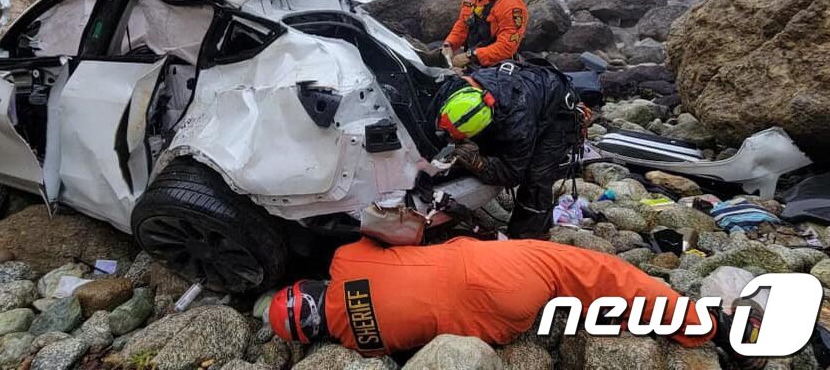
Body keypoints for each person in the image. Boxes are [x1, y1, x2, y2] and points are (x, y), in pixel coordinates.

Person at [267, 237, 765, 369]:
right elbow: (398, 231)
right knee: (597, 273)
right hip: (494, 273)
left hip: (499, 326)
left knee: (570, 296)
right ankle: (710, 324)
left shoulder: (363, 344)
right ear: (308, 287)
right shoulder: (346, 261)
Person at [431, 60, 582, 239]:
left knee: (536, 179)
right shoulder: (455, 89)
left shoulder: (517, 126)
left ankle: (527, 238)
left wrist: (478, 163)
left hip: (557, 113)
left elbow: (512, 173)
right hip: (527, 89)